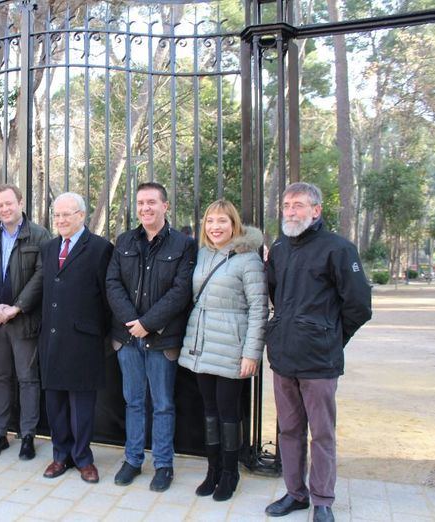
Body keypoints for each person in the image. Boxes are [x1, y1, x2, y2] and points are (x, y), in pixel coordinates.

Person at [264, 183, 372, 522]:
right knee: (289, 431)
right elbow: (273, 292)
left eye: (298, 205)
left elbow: (359, 306)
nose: (291, 212)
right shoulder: (280, 248)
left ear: (316, 210)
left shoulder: (338, 249)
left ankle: (322, 500)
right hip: (283, 358)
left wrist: (331, 337)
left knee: (322, 433)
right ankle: (296, 493)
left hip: (319, 361)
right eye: (286, 205)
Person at [105, 182, 195, 492]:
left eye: (152, 202)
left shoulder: (182, 245)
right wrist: (134, 322)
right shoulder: (125, 240)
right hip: (128, 339)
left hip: (161, 340)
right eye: (141, 202)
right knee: (132, 402)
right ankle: (132, 460)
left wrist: (148, 323)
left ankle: (163, 464)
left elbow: (180, 292)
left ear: (165, 206)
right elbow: (113, 283)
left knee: (163, 404)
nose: (146, 208)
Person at [179, 200, 267, 501]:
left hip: (231, 347)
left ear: (234, 224)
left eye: (222, 221)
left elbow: (258, 309)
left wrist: (251, 354)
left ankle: (230, 473)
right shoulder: (202, 254)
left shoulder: (248, 260)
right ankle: (213, 469)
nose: (216, 227)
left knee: (229, 414)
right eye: (210, 221)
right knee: (209, 412)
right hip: (202, 346)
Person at [0, 184, 51, 460]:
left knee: (28, 379)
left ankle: (28, 435)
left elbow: (42, 275)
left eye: (9, 203)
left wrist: (17, 308)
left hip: (23, 320)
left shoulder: (39, 235)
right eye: (0, 205)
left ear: (21, 203)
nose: (4, 209)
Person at [39, 192, 113, 484]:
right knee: (55, 404)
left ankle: (83, 458)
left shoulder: (100, 248)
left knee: (82, 407)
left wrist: (102, 336)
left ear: (81, 215)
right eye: (57, 215)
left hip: (84, 341)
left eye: (66, 214)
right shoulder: (48, 248)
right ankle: (61, 456)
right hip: (52, 340)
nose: (60, 220)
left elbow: (107, 300)